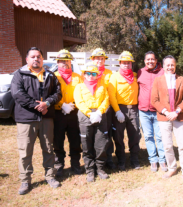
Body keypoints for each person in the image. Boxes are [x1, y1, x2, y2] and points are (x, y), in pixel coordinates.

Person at [11, 47, 62, 195]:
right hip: (26, 120)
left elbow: (57, 93)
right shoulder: (19, 75)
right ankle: (25, 180)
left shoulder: (50, 75)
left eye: (38, 56)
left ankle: (50, 176)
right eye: (33, 57)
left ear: (42, 59)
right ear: (27, 59)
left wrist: (47, 103)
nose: (36, 59)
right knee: (25, 151)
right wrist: (37, 106)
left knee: (48, 148)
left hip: (46, 119)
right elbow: (18, 94)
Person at [151, 55, 183, 185]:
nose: (170, 67)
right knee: (167, 145)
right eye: (167, 65)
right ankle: (172, 168)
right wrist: (166, 112)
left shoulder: (182, 80)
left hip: (178, 116)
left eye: (172, 65)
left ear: (175, 66)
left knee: (182, 145)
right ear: (163, 66)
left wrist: (176, 111)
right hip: (164, 117)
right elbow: (154, 100)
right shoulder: (157, 81)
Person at [74, 62, 110, 182]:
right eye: (87, 73)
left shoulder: (102, 86)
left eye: (93, 73)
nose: (90, 75)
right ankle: (89, 170)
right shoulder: (79, 87)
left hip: (100, 115)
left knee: (101, 144)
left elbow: (106, 99)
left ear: (97, 75)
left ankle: (100, 168)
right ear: (84, 74)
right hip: (85, 116)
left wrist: (99, 112)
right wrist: (90, 113)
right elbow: (79, 102)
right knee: (86, 143)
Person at [108, 51, 141, 171]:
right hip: (119, 110)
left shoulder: (136, 76)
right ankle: (121, 160)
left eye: (128, 63)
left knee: (134, 135)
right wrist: (117, 111)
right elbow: (111, 95)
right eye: (123, 63)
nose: (126, 65)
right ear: (120, 63)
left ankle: (134, 159)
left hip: (133, 109)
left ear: (131, 64)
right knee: (118, 137)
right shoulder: (114, 76)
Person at [53, 49, 82, 177]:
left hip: (74, 113)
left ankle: (75, 164)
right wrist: (60, 105)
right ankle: (59, 165)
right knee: (58, 140)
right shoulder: (53, 76)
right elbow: (50, 95)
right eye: (61, 61)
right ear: (57, 62)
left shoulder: (78, 77)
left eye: (67, 60)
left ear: (71, 62)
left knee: (75, 140)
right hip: (58, 113)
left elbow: (82, 95)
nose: (64, 63)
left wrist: (73, 105)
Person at [137, 51, 167, 172]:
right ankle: (153, 160)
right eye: (148, 59)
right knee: (148, 137)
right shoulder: (140, 72)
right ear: (145, 61)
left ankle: (163, 160)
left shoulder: (162, 72)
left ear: (156, 60)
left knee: (160, 137)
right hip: (143, 111)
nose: (150, 61)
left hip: (158, 111)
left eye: (152, 59)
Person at [90, 48, 116, 170]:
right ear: (92, 60)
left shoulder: (110, 73)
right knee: (94, 135)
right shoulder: (87, 72)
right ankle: (95, 158)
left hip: (107, 109)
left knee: (107, 133)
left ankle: (109, 158)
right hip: (92, 109)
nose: (99, 61)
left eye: (102, 59)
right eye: (97, 59)